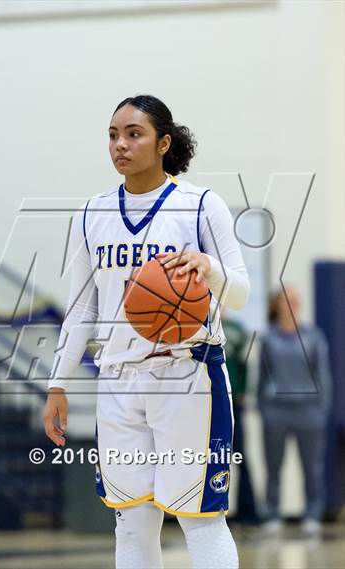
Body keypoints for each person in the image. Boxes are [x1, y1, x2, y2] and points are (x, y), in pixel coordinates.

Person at [44, 95, 250, 569]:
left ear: (163, 143)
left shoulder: (200, 205)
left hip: (187, 374)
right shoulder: (91, 214)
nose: (120, 144)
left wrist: (209, 267)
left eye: (133, 134)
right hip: (117, 379)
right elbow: (80, 310)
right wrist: (57, 383)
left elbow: (239, 292)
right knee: (131, 520)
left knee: (200, 517)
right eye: (113, 135)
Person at [257, 286, 332, 537]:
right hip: (276, 412)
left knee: (312, 467)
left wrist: (322, 411)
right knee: (273, 466)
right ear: (277, 304)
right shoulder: (268, 338)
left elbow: (323, 376)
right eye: (286, 298)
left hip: (308, 413)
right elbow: (262, 378)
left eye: (295, 298)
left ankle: (312, 513)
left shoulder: (314, 337)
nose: (291, 303)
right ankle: (272, 514)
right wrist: (264, 410)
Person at [222, 312, 257, 524]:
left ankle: (248, 511)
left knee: (240, 456)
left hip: (233, 402)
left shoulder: (236, 329)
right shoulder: (198, 325)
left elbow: (245, 363)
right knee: (214, 458)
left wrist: (243, 390)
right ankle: (214, 510)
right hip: (209, 403)